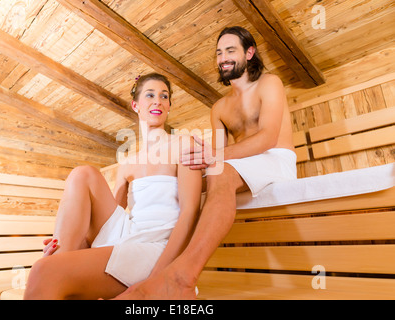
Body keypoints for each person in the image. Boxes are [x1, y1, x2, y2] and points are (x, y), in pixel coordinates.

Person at [113, 26, 296, 299]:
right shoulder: (219, 108)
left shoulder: (270, 83)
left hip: (276, 160)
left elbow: (268, 138)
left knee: (219, 173)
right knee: (181, 180)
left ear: (249, 52)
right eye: (219, 53)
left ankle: (181, 275)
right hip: (241, 166)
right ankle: (148, 249)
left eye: (230, 50)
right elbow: (214, 159)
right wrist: (195, 160)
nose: (223, 57)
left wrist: (214, 158)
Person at [23, 73, 202, 299]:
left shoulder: (184, 144)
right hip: (128, 235)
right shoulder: (127, 164)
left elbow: (190, 213)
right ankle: (58, 257)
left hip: (157, 247)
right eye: (150, 95)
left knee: (42, 271)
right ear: (135, 105)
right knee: (82, 174)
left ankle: (55, 270)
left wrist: (160, 276)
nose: (158, 100)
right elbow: (106, 226)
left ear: (168, 106)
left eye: (164, 96)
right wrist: (70, 250)